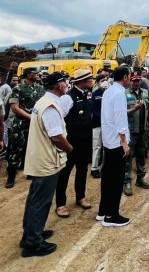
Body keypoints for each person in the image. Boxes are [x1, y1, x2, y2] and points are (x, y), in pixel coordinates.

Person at [21, 72, 72, 257]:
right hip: (46, 161)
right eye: (64, 82)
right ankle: (33, 244)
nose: (66, 84)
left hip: (39, 158)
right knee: (40, 202)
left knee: (34, 199)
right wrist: (70, 149)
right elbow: (57, 137)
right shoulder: (50, 107)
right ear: (58, 85)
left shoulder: (43, 101)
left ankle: (30, 234)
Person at [55, 68, 95, 218]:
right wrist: (64, 142)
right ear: (83, 81)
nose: (92, 81)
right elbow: (60, 119)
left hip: (84, 140)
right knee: (64, 173)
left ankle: (80, 197)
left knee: (82, 169)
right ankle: (60, 204)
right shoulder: (68, 98)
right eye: (90, 79)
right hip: (71, 143)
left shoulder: (87, 94)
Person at [96, 66, 131, 227]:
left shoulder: (109, 91)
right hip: (117, 142)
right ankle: (112, 216)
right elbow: (120, 120)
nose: (129, 79)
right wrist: (124, 142)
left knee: (107, 177)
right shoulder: (119, 94)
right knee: (116, 179)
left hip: (108, 140)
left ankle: (103, 211)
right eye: (129, 76)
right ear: (125, 77)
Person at [6, 67, 46, 188]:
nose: (38, 75)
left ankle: (30, 172)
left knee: (33, 150)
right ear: (29, 75)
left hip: (35, 124)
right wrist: (30, 117)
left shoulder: (40, 88)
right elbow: (15, 107)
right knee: (16, 151)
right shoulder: (18, 89)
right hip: (20, 125)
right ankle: (11, 176)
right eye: (35, 73)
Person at [123, 70, 149, 196]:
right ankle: (127, 181)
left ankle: (141, 178)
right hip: (131, 131)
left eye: (138, 80)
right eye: (133, 80)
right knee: (128, 157)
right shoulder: (124, 94)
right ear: (130, 81)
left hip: (143, 130)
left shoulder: (145, 92)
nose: (135, 83)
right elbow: (121, 112)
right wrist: (134, 108)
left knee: (141, 154)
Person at [90, 75, 109, 178]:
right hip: (97, 124)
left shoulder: (109, 93)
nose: (104, 82)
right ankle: (94, 168)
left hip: (108, 125)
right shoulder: (94, 94)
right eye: (102, 81)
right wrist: (103, 118)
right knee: (96, 147)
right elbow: (94, 110)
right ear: (97, 83)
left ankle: (104, 166)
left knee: (106, 146)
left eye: (106, 80)